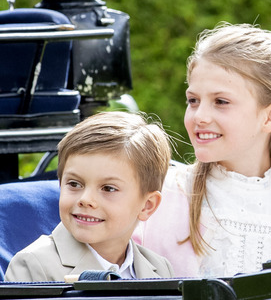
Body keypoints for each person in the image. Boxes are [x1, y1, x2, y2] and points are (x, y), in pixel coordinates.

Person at [135, 23, 271, 278]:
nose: (199, 116)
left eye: (221, 102)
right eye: (193, 100)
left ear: (270, 116)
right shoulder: (161, 195)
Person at [5, 112, 174, 282]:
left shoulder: (159, 269)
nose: (85, 199)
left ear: (147, 205)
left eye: (108, 188)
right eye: (74, 184)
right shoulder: (34, 266)